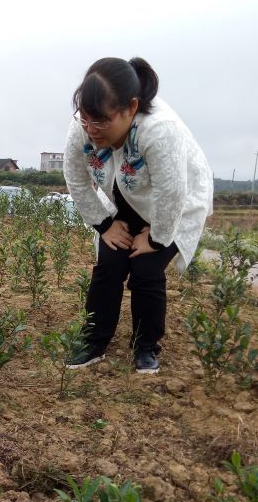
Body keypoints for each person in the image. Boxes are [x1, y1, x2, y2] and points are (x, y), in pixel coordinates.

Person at [63, 56, 213, 374]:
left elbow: (171, 193)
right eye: (85, 119)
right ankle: (94, 341)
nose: (91, 130)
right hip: (127, 198)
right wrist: (104, 224)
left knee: (146, 269)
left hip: (177, 202)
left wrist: (157, 238)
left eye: (101, 122)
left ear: (130, 108)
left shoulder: (160, 131)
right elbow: (75, 177)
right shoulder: (83, 128)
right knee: (110, 262)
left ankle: (145, 346)